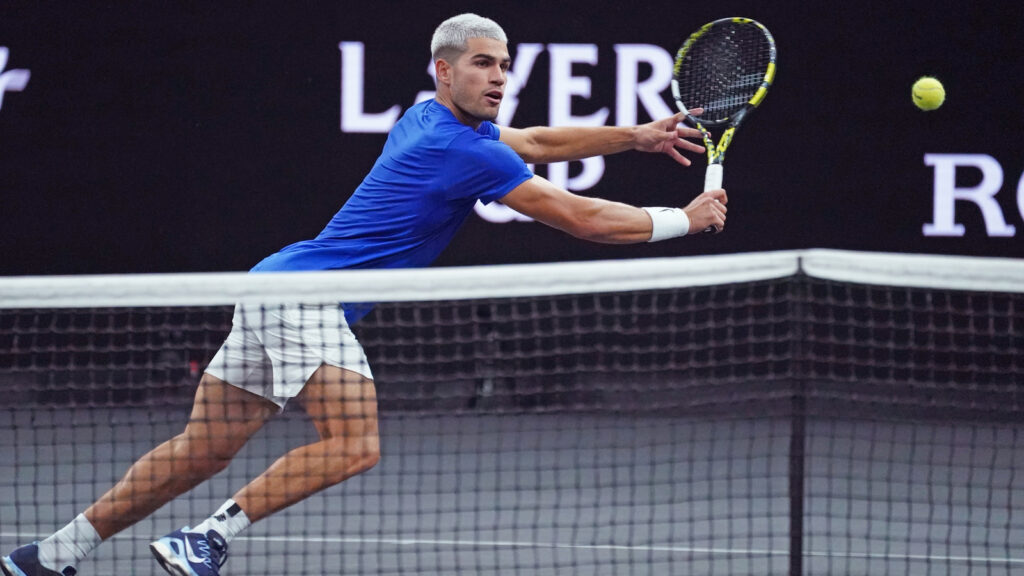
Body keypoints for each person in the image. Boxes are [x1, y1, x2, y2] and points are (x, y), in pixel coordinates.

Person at [1, 13, 726, 576]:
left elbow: (533, 142)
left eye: (505, 65)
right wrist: (682, 220)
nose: (499, 76)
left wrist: (633, 137)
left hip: (271, 285)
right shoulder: (458, 148)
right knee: (354, 445)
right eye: (483, 64)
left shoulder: (428, 118)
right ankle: (207, 538)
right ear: (444, 70)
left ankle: (52, 554)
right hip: (309, 302)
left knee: (203, 449)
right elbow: (582, 217)